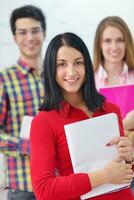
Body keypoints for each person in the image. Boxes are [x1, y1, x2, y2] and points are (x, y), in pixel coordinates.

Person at [30, 32, 134, 200]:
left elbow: (125, 173)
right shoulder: (43, 122)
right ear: (51, 69)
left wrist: (129, 158)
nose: (71, 72)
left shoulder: (110, 110)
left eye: (78, 63)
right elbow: (44, 190)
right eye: (61, 64)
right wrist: (104, 176)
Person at [0, 5, 46, 200]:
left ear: (44, 33)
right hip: (23, 186)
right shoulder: (4, 79)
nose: (30, 38)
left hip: (59, 181)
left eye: (35, 30)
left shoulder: (58, 75)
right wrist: (27, 145)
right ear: (14, 38)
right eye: (22, 32)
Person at [93, 16, 134, 192]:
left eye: (120, 40)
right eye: (107, 41)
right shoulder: (90, 81)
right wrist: (125, 124)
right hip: (107, 169)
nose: (114, 47)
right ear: (99, 45)